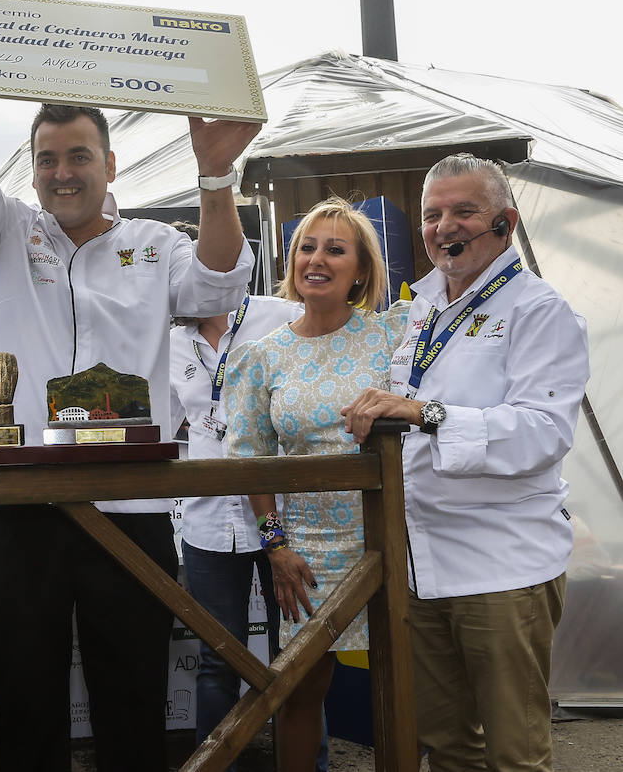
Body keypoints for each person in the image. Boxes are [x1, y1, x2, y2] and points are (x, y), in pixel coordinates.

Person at [0, 0, 258, 772]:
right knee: (25, 688)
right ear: (30, 169)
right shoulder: (5, 229)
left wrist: (215, 175)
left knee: (131, 690)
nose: (61, 173)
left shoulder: (153, 240)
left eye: (78, 157)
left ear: (110, 162)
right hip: (22, 501)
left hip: (129, 501)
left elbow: (216, 285)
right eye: (46, 159)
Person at [341, 153, 587, 771]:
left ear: (505, 222)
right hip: (421, 563)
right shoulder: (420, 308)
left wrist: (430, 413)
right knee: (448, 745)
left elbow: (543, 431)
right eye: (432, 215)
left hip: (503, 566)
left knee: (513, 752)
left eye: (462, 211)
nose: (444, 226)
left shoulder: (540, 310)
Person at [224, 197, 404, 772]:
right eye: (307, 246)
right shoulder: (260, 357)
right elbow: (250, 460)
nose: (317, 259)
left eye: (335, 249)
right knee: (299, 692)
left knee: (404, 690)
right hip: (304, 555)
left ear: (361, 269)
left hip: (391, 543)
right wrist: (276, 546)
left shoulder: (394, 339)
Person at [168, 220, 299, 771]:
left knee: (296, 654)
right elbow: (159, 426)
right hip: (206, 521)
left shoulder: (280, 316)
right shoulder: (168, 341)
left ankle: (302, 761)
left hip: (282, 518)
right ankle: (221, 762)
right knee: (219, 657)